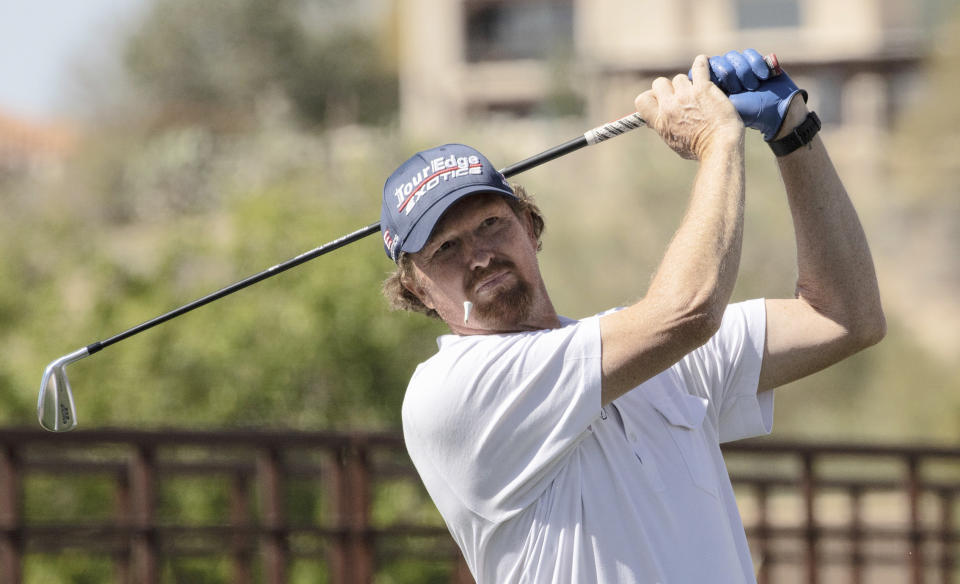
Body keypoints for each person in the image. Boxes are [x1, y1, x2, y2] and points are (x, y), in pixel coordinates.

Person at [379, 49, 884, 583]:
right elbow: (686, 312)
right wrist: (717, 142)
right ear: (417, 290)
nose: (478, 256)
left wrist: (793, 133)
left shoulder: (644, 348)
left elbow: (845, 317)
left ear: (529, 225)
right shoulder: (450, 391)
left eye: (490, 225)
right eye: (445, 250)